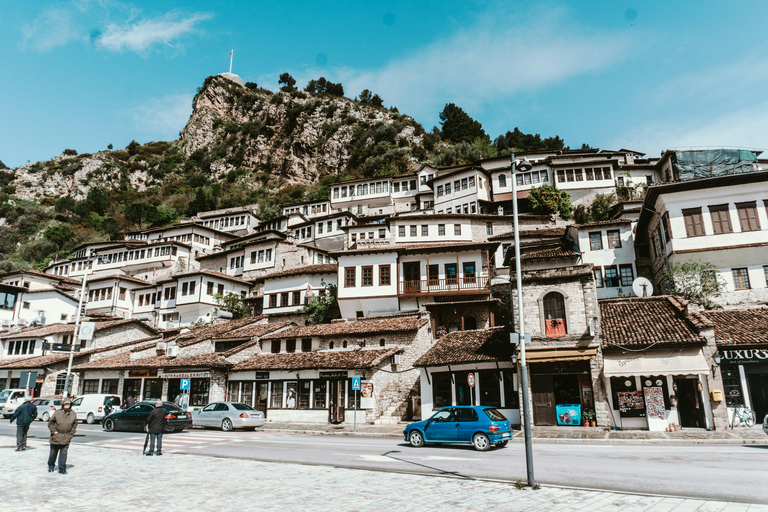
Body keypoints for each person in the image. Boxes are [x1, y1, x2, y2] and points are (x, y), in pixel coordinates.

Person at [48, 398, 77, 474]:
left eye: (68, 404)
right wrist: (54, 431)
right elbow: (51, 422)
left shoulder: (73, 414)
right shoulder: (57, 413)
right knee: (53, 453)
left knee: (63, 454)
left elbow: (75, 424)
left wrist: (71, 433)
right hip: (56, 436)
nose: (67, 405)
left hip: (66, 436)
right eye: (66, 404)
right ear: (63, 404)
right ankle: (51, 466)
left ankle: (62, 468)